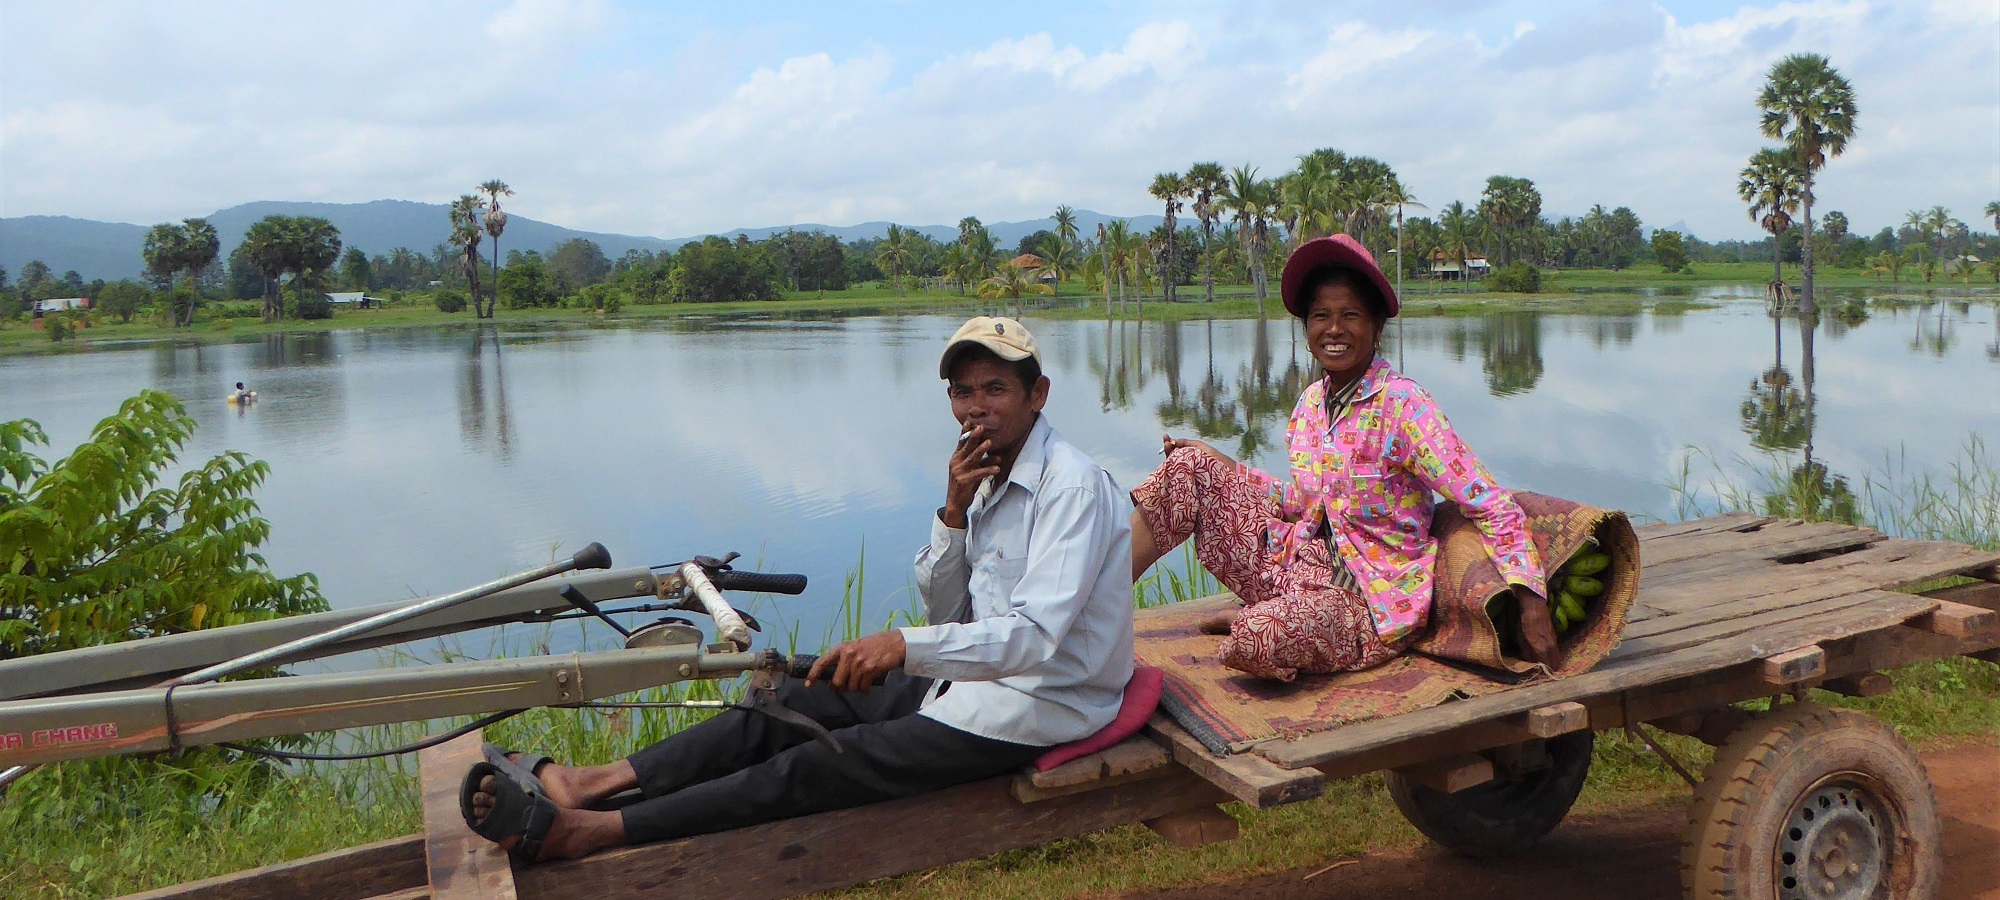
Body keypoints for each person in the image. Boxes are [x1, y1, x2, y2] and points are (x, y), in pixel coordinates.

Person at [464, 315, 1135, 861]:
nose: (975, 409)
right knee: (790, 695)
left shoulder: (1070, 487)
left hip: (1044, 704)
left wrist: (899, 645)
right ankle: (591, 783)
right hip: (975, 680)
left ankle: (592, 833)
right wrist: (954, 512)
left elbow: (1034, 639)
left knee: (826, 762)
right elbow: (950, 613)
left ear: (1037, 394)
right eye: (963, 393)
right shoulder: (984, 473)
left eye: (995, 389)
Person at [1128, 235, 1558, 681]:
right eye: (1321, 316)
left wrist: (1531, 600)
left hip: (1367, 602)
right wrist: (1226, 465)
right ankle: (1098, 606)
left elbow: (1488, 501)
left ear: (1376, 325)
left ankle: (1261, 618)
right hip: (1297, 570)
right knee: (1188, 468)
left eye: (1350, 315)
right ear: (1307, 328)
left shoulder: (1404, 406)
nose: (1334, 330)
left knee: (1255, 638)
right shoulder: (1311, 403)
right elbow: (1305, 503)